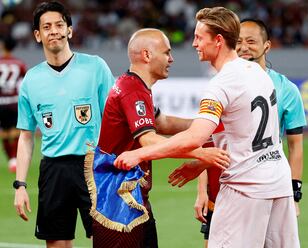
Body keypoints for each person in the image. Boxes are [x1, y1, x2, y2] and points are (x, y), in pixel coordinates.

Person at [115, 7, 300, 248]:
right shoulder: (258, 72)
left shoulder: (221, 85)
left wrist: (139, 153)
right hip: (278, 183)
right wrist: (201, 163)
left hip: (245, 189)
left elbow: (195, 137)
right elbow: (244, 133)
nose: (193, 44)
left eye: (199, 37)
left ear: (219, 41)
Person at [92, 28, 228, 248]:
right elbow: (149, 140)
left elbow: (162, 122)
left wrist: (210, 124)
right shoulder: (132, 90)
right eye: (166, 53)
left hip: (132, 195)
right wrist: (199, 151)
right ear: (147, 55)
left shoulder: (136, 86)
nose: (171, 59)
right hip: (118, 202)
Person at [194, 18, 307, 247]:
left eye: (251, 41)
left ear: (267, 45)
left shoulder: (285, 89)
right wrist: (202, 189)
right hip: (231, 178)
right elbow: (208, 138)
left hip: (250, 181)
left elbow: (295, 145)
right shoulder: (232, 80)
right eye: (239, 41)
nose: (244, 47)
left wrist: (295, 193)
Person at [13, 1, 114, 248]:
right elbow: (26, 136)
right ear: (38, 35)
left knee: (105, 240)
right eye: (46, 27)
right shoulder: (31, 80)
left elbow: (114, 119)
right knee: (57, 244)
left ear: (70, 29)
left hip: (94, 167)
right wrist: (20, 185)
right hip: (53, 171)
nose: (54, 31)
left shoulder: (95, 67)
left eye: (59, 25)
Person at [0, 36, 27, 173]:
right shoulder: (20, 63)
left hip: (1, 103)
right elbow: (23, 85)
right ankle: (15, 160)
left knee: (4, 132)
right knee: (16, 132)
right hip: (14, 102)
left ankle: (11, 159)